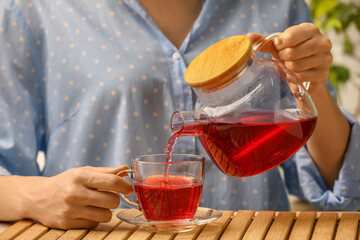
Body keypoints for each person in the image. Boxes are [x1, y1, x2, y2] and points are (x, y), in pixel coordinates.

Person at [0, 0, 359, 230]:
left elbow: (342, 191)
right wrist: (34, 195)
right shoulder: (34, 10)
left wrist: (313, 84)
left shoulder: (273, 5)